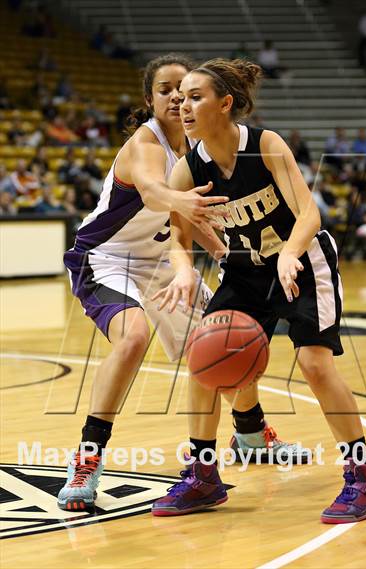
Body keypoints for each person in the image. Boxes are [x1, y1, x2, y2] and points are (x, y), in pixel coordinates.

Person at [57, 54, 297, 512]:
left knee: (223, 339)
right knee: (133, 339)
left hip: (165, 262)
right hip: (107, 259)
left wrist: (233, 256)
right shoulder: (145, 145)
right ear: (149, 101)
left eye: (183, 90)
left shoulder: (200, 150)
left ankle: (249, 431)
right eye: (164, 90)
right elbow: (153, 193)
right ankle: (88, 457)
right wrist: (180, 200)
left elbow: (195, 222)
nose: (175, 98)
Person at [152, 58, 366, 523]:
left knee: (314, 364)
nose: (183, 105)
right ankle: (203, 476)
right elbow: (179, 237)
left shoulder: (265, 145)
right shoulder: (187, 168)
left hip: (302, 261)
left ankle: (362, 480)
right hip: (244, 270)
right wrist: (186, 267)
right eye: (179, 98)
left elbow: (309, 215)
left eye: (195, 96)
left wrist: (289, 253)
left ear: (226, 104)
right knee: (204, 363)